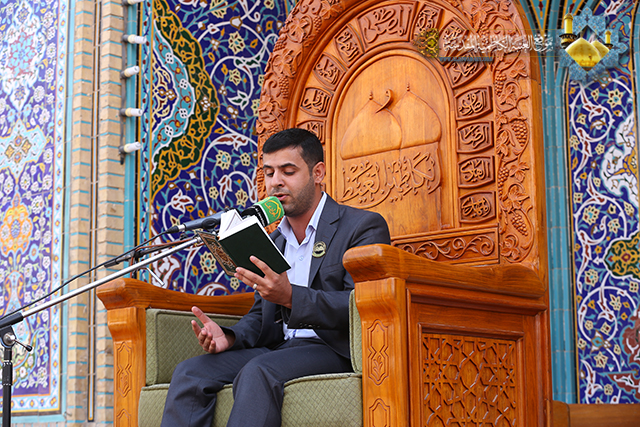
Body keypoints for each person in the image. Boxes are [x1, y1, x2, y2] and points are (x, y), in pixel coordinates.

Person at [160, 128, 391, 427]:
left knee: (258, 370)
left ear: (318, 173)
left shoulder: (361, 227)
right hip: (281, 348)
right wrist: (229, 337)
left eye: (288, 171)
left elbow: (362, 306)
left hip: (333, 348)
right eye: (269, 173)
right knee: (190, 373)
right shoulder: (274, 241)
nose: (275, 182)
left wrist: (291, 297)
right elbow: (261, 315)